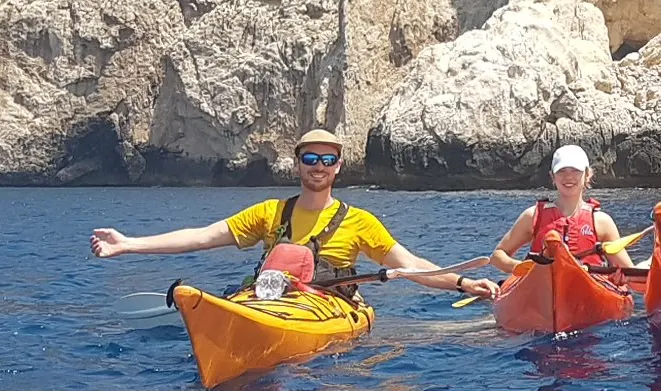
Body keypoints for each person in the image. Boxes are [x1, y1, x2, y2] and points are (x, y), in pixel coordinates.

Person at [90, 127, 498, 299]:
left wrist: (463, 283)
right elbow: (203, 236)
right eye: (310, 158)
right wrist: (128, 245)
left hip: (325, 307)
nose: (318, 166)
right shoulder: (270, 213)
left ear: (337, 167)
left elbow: (410, 266)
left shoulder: (360, 222)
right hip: (270, 300)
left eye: (327, 159)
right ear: (298, 164)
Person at [490, 145, 636, 274]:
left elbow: (628, 269)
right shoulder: (533, 216)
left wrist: (619, 277)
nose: (568, 176)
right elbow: (498, 256)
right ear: (552, 177)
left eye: (575, 170)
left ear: (587, 175)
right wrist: (521, 267)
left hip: (586, 291)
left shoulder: (601, 222)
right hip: (540, 289)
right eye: (561, 171)